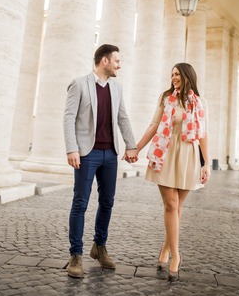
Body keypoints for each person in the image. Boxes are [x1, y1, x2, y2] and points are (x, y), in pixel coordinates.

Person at [63, 44, 138, 278]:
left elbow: (122, 117)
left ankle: (99, 246)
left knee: (107, 202)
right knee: (80, 203)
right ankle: (76, 255)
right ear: (104, 61)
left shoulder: (117, 87)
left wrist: (131, 144)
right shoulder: (79, 83)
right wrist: (72, 149)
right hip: (87, 154)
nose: (119, 65)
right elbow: (68, 118)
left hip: (110, 154)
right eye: (116, 60)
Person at [136, 63, 210, 282]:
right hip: (166, 151)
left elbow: (204, 134)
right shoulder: (165, 97)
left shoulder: (200, 102)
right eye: (172, 74)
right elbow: (153, 125)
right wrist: (137, 149)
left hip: (189, 155)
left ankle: (166, 249)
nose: (173, 77)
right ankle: (176, 256)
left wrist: (206, 164)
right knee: (171, 204)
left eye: (177, 74)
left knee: (178, 206)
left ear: (187, 76)